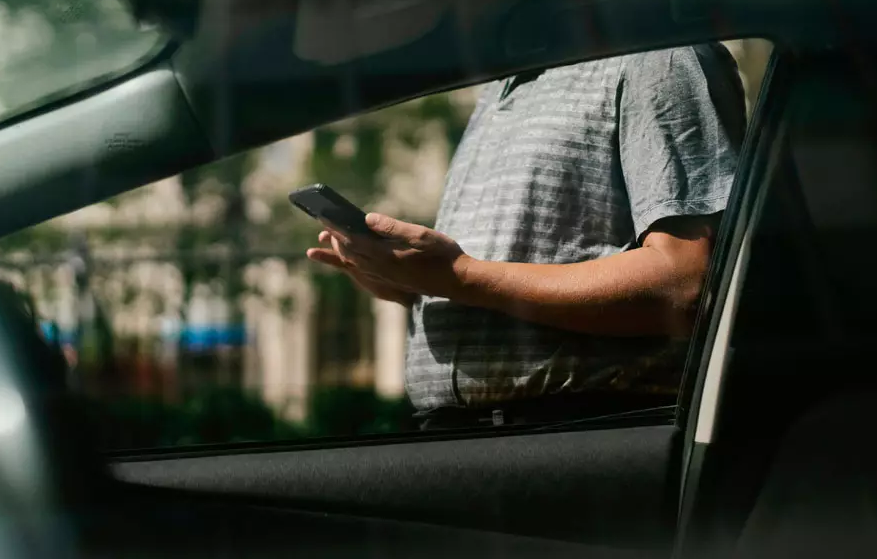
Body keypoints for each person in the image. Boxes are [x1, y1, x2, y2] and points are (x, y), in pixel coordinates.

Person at [307, 46, 743, 428]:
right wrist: (410, 281)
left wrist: (458, 276)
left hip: (582, 432)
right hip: (464, 437)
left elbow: (683, 284)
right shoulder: (498, 88)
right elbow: (493, 280)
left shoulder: (659, 59)